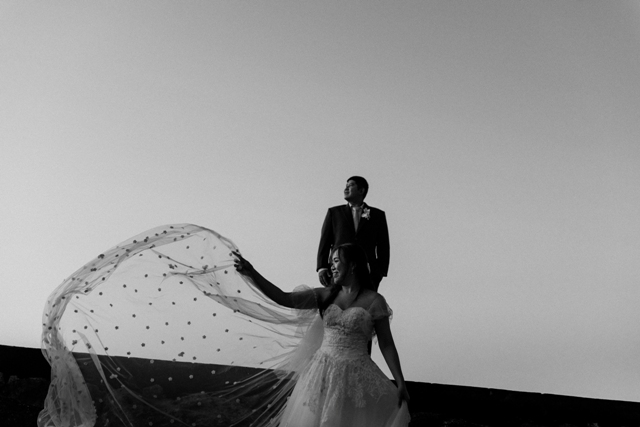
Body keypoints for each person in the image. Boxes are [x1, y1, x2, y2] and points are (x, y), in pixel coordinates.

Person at [234, 243, 410, 427]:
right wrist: (252, 273)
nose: (331, 266)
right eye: (331, 262)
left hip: (355, 378)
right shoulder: (324, 295)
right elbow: (283, 298)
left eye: (336, 260)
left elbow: (386, 343)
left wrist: (400, 382)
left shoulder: (375, 301)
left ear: (353, 265)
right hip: (321, 373)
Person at [317, 176, 390, 292]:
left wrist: (380, 272)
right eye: (345, 186)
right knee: (336, 300)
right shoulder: (334, 213)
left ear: (361, 190)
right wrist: (322, 267)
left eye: (350, 185)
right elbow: (325, 241)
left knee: (364, 302)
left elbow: (383, 246)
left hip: (367, 273)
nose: (346, 189)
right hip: (337, 271)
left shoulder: (377, 215)